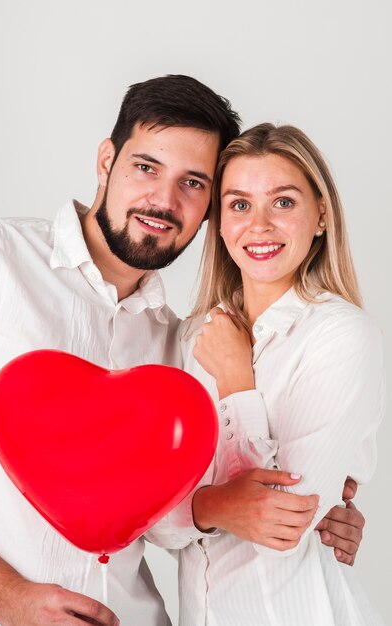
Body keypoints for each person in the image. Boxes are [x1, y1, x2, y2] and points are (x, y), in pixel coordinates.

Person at [0, 76, 364, 626]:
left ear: (209, 211)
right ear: (107, 160)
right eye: (146, 167)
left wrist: (320, 510)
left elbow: (173, 513)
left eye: (194, 183)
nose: (165, 200)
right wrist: (5, 596)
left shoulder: (179, 341)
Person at [175, 123, 385, 625]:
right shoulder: (188, 341)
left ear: (321, 216)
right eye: (240, 204)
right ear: (220, 223)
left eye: (284, 202)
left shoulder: (342, 336)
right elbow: (142, 515)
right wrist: (209, 508)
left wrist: (235, 382)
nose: (260, 225)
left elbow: (281, 530)